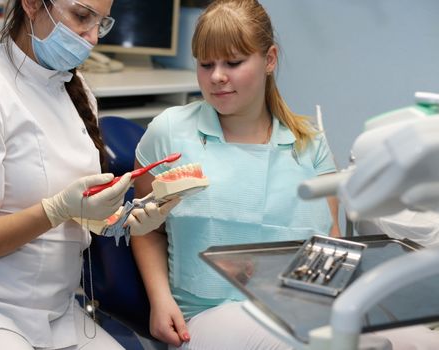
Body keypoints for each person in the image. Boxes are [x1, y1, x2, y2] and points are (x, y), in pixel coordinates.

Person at [0, 0, 178, 349]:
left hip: (57, 314)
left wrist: (123, 222)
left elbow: (79, 216)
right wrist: (53, 210)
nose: (91, 39)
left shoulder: (77, 89)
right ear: (31, 4)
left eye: (101, 24)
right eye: (82, 16)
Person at [132, 1, 341, 349]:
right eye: (205, 64)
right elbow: (144, 228)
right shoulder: (169, 132)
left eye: (233, 62)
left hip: (294, 312)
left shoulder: (309, 144)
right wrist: (160, 300)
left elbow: (330, 239)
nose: (216, 77)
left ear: (269, 59)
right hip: (204, 317)